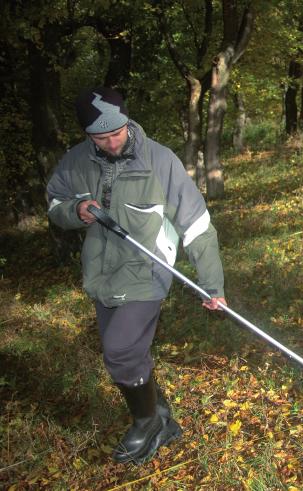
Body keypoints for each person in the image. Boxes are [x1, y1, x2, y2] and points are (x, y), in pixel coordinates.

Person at [47, 87, 227, 464]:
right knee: (130, 354)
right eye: (101, 137)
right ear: (87, 135)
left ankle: (145, 422)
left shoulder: (160, 161)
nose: (112, 142)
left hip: (148, 271)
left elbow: (196, 225)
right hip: (100, 274)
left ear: (127, 122)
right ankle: (162, 418)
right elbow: (55, 203)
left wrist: (212, 284)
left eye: (117, 132)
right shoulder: (76, 161)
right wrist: (76, 210)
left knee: (121, 351)